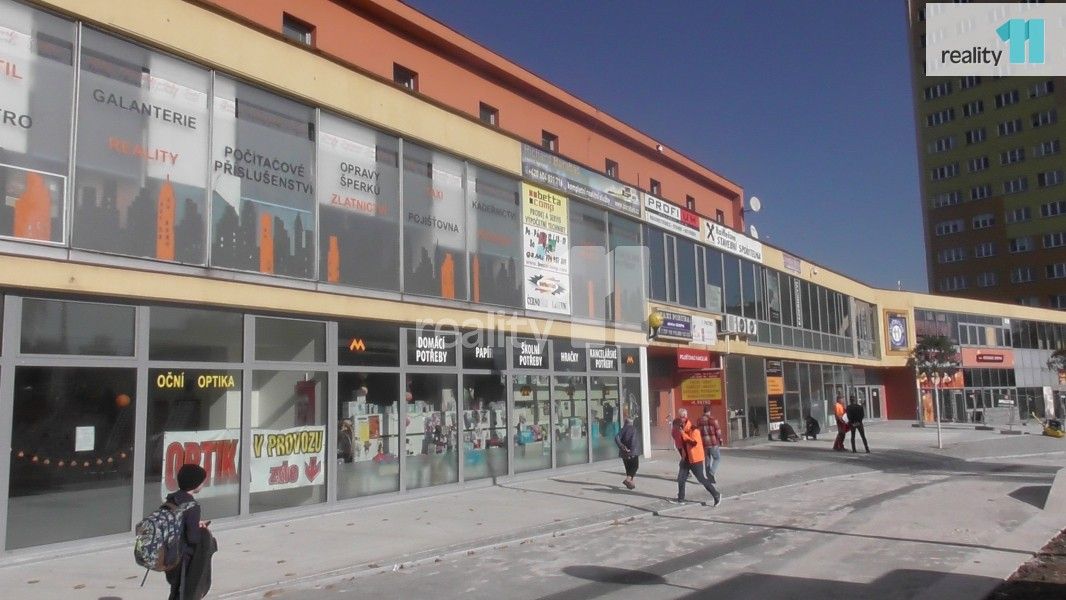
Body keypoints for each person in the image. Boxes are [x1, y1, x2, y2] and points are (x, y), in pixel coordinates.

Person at [165, 464, 213, 600]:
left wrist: (194, 524)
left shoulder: (172, 499)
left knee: (175, 590)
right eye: (202, 482)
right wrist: (201, 529)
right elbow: (193, 538)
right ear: (196, 484)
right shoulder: (192, 506)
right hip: (184, 559)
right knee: (184, 593)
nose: (203, 484)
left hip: (169, 554)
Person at [673, 408, 721, 506]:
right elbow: (680, 443)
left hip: (695, 459)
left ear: (686, 417)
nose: (681, 419)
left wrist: (682, 434)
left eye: (683, 417)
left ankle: (716, 494)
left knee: (701, 479)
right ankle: (681, 499)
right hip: (686, 459)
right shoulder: (681, 430)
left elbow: (693, 443)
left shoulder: (694, 429)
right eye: (680, 417)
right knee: (681, 478)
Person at [696, 406, 722, 484]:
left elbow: (698, 432)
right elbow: (718, 431)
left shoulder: (699, 420)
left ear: (703, 411)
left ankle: (709, 478)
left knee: (707, 460)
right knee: (717, 458)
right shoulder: (713, 420)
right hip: (713, 443)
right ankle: (711, 473)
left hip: (704, 443)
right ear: (709, 411)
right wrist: (720, 439)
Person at [614, 415, 641, 489]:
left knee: (628, 468)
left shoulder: (623, 429)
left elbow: (616, 438)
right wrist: (630, 450)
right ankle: (628, 480)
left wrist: (622, 447)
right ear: (631, 422)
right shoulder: (633, 429)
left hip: (624, 453)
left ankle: (630, 483)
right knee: (635, 467)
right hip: (632, 452)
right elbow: (633, 441)